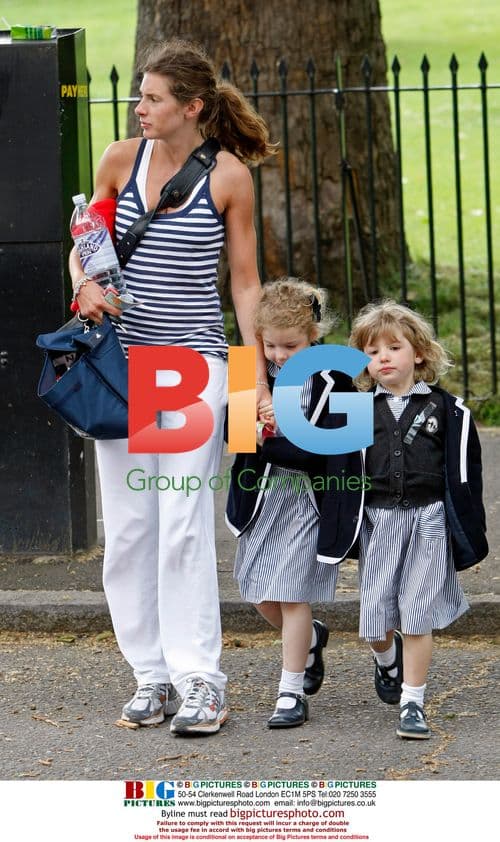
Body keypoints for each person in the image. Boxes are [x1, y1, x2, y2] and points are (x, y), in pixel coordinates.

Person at [69, 38, 275, 736]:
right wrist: (83, 281)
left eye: (153, 98)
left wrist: (256, 378)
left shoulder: (228, 179)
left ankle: (200, 682)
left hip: (190, 366)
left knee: (182, 523)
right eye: (138, 96)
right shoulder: (118, 160)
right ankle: (150, 675)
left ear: (191, 106)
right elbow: (87, 236)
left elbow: (244, 284)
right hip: (118, 368)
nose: (139, 107)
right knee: (129, 530)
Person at [226, 279, 365, 728]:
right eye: (271, 346)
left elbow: (331, 452)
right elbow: (238, 440)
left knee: (291, 595)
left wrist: (276, 435)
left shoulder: (337, 381)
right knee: (260, 594)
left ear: (315, 337)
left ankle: (290, 692)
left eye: (292, 346)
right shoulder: (253, 375)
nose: (281, 355)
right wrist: (250, 418)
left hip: (309, 503)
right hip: (263, 499)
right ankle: (310, 640)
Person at [349, 300, 488, 739]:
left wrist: (464, 528)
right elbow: (341, 471)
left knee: (417, 615)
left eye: (393, 347)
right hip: (378, 520)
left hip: (428, 520)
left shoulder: (446, 409)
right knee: (375, 621)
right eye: (372, 351)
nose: (383, 358)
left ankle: (413, 702)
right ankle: (386, 659)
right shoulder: (355, 410)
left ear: (419, 354)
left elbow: (467, 473)